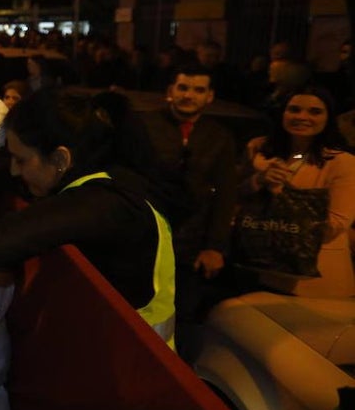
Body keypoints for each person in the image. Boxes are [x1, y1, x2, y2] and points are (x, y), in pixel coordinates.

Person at [0, 87, 182, 347]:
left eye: (21, 160)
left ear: (60, 158)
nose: (14, 170)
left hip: (135, 362)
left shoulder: (106, 203)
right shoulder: (93, 172)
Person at [141, 64, 237, 354]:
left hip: (190, 246)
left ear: (209, 96)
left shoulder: (219, 137)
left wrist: (215, 247)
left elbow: (225, 194)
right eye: (183, 88)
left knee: (181, 318)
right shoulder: (145, 125)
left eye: (198, 90)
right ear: (170, 92)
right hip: (146, 238)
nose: (189, 95)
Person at [238, 85, 355, 297]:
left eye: (315, 112)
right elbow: (234, 198)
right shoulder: (260, 151)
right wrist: (258, 180)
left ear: (329, 118)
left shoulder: (342, 163)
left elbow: (336, 224)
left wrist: (284, 195)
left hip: (316, 281)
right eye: (294, 109)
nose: (302, 117)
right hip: (261, 271)